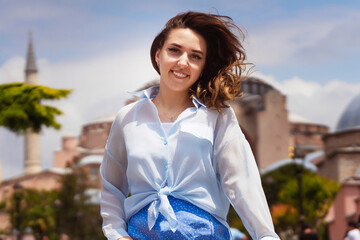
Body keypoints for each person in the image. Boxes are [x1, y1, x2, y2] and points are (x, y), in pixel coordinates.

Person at [100, 11, 280, 240]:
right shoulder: (127, 118)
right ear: (158, 55)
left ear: (203, 66)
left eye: (195, 56)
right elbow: (111, 186)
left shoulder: (218, 116)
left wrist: (266, 236)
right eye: (174, 50)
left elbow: (242, 183)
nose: (183, 62)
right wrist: (116, 234)